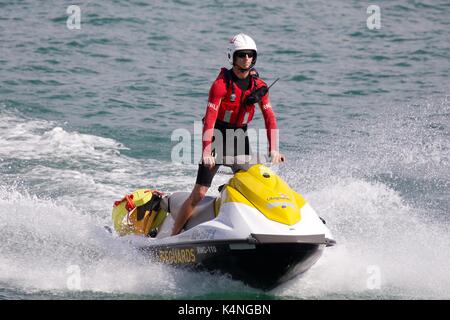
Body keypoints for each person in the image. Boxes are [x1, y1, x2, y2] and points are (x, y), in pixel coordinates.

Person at [171, 33, 285, 235]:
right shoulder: (220, 86)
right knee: (199, 192)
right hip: (217, 135)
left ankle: (257, 227)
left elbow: (270, 118)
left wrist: (273, 149)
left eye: (250, 55)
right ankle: (173, 235)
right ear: (232, 57)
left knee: (252, 185)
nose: (246, 59)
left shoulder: (259, 87)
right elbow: (210, 118)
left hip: (240, 137)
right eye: (242, 55)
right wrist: (207, 151)